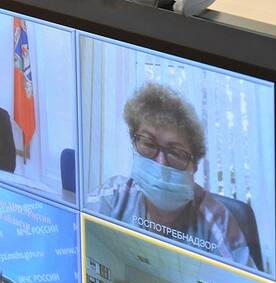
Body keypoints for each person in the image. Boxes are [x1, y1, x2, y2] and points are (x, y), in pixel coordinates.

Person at [86, 82, 256, 269]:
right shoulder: (113, 198)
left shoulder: (216, 222)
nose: (160, 163)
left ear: (194, 166)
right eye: (148, 144)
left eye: (175, 152)